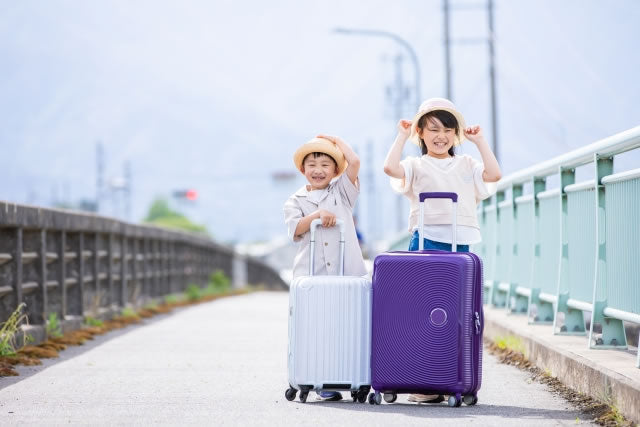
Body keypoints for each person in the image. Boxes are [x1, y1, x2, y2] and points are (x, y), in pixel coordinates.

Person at [382, 97, 501, 403]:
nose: (441, 135)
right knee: (422, 311)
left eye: (448, 129)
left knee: (452, 314)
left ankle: (446, 376)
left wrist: (480, 141)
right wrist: (400, 135)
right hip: (426, 241)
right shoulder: (416, 165)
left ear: (456, 135)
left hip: (458, 246)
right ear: (420, 132)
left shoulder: (466, 164)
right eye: (432, 128)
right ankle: (424, 381)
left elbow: (494, 175)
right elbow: (390, 168)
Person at [283, 134, 367, 402]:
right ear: (302, 169)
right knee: (316, 327)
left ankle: (350, 374)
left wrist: (335, 140)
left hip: (346, 273)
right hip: (312, 274)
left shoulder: (342, 191)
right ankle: (319, 378)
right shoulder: (294, 201)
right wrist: (317, 215)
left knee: (348, 324)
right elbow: (295, 229)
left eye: (325, 165)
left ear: (335, 170)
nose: (318, 170)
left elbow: (354, 161)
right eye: (312, 165)